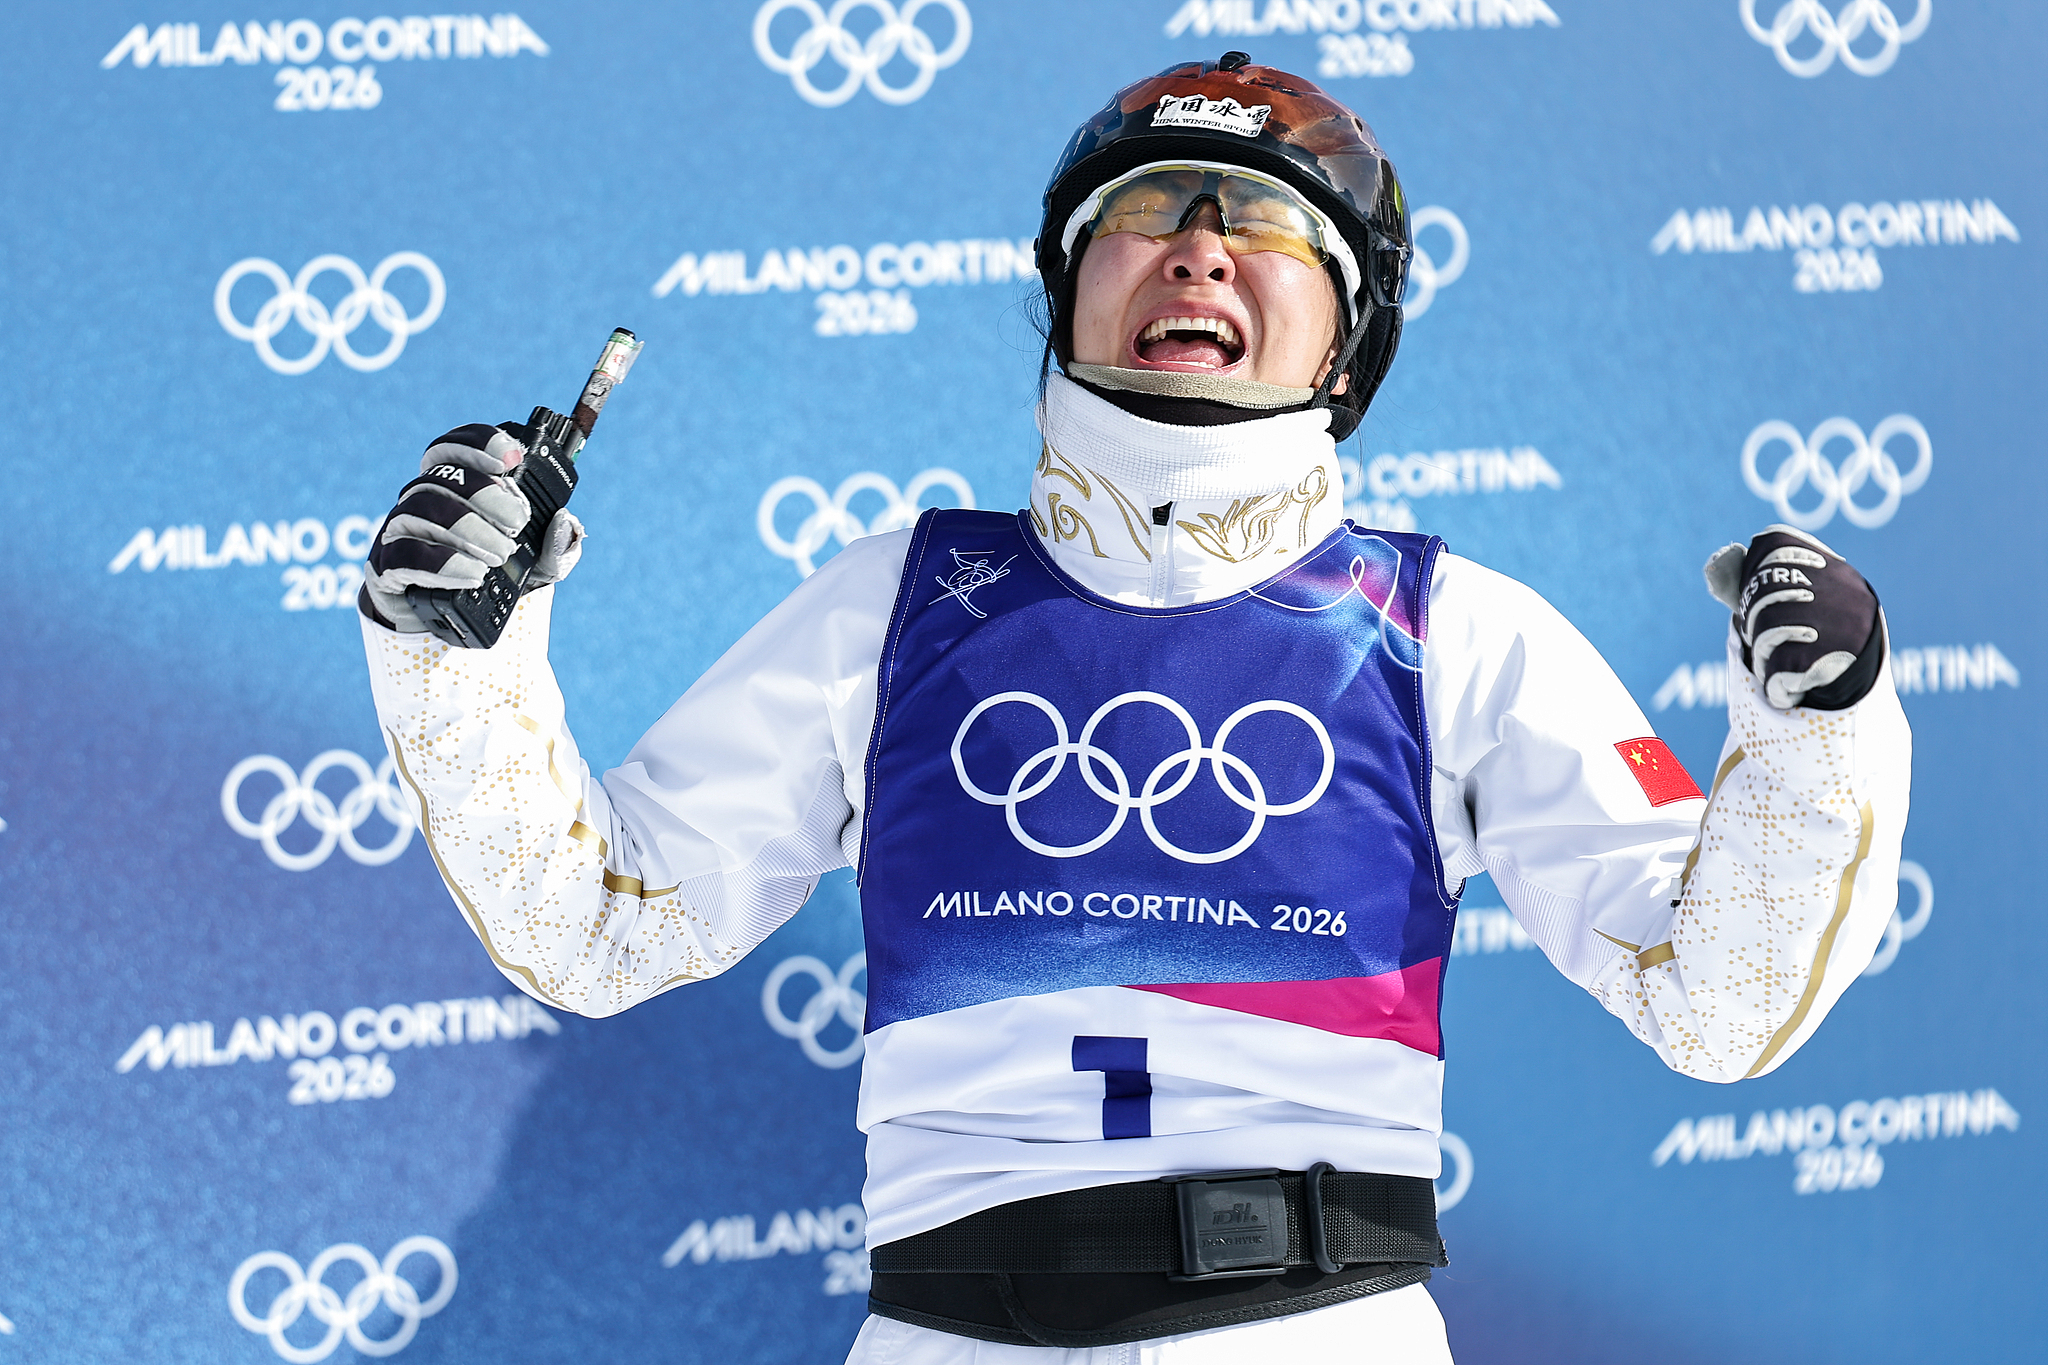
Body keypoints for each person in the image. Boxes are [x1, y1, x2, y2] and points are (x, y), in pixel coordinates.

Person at [357, 54, 1911, 1364]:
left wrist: (1819, 733)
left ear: (1347, 339)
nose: (1200, 248)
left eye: (1264, 229)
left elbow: (1716, 1003)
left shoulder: (1457, 632)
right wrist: (455, 654)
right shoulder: (897, 598)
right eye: (1147, 213)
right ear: (1065, 289)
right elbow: (596, 922)